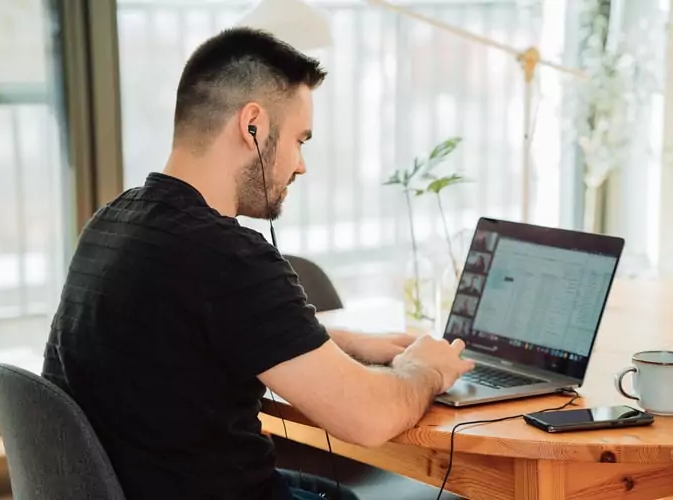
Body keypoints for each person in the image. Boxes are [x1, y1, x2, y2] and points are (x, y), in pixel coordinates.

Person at [42, 27, 473, 500]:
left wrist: (344, 343)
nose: (301, 164)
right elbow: (367, 419)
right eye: (300, 140)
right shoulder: (228, 255)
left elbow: (193, 335)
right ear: (254, 125)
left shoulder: (112, 223)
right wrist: (426, 370)